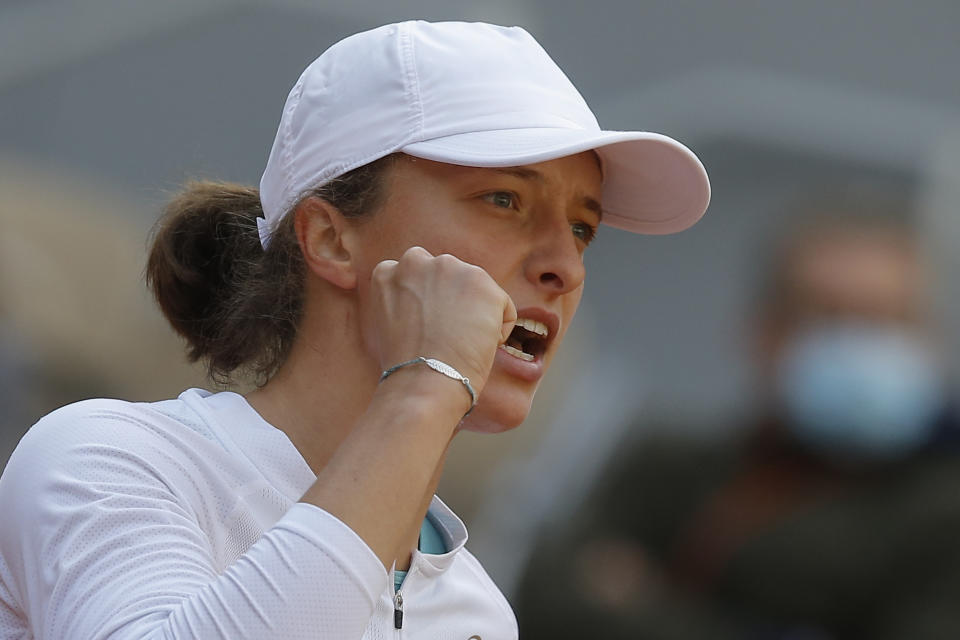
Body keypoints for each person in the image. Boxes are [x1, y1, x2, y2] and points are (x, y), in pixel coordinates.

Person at [0, 20, 710, 639]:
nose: (565, 265)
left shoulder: (479, 612)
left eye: (583, 228)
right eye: (504, 199)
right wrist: (423, 388)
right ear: (331, 240)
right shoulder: (107, 459)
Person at [514, 212, 960, 639]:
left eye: (882, 321)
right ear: (763, 329)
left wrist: (645, 605)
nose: (856, 344)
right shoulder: (668, 464)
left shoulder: (942, 514)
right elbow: (543, 602)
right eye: (826, 316)